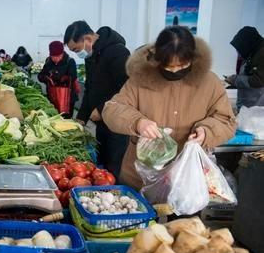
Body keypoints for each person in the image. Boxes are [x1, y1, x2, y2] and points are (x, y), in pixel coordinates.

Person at [102, 26, 237, 190]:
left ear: (193, 58)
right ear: (157, 59)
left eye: (182, 67)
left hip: (186, 179)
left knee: (184, 216)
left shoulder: (209, 82)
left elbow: (226, 120)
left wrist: (206, 132)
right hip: (140, 178)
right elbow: (112, 109)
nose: (175, 72)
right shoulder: (140, 79)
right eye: (168, 68)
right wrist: (138, 122)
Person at [64, 21, 130, 177]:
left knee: (114, 166)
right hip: (100, 123)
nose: (77, 54)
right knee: (101, 165)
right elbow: (90, 88)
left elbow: (126, 89)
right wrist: (81, 118)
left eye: (76, 49)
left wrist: (101, 109)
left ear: (87, 38)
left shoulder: (118, 52)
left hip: (117, 123)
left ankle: (114, 193)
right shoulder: (91, 56)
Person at [225, 26, 264, 110]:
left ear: (247, 44)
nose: (238, 52)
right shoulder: (252, 52)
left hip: (256, 111)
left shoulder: (261, 55)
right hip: (248, 107)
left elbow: (258, 81)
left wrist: (235, 80)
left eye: (240, 48)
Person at [38, 41, 79, 118]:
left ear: (62, 53)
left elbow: (73, 76)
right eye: (53, 56)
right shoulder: (48, 61)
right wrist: (45, 78)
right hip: (53, 96)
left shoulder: (70, 61)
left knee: (66, 120)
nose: (55, 59)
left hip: (67, 98)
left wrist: (62, 78)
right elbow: (41, 74)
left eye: (58, 56)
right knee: (54, 118)